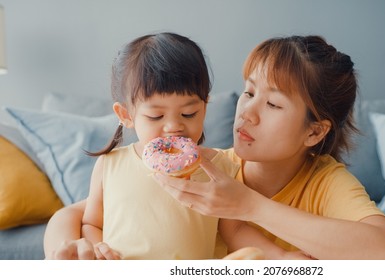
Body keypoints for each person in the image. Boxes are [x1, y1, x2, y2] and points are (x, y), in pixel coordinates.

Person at [44, 35, 385, 260]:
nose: (246, 113)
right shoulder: (208, 164)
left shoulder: (325, 183)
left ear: (314, 132)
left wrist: (250, 206)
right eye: (249, 92)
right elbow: (78, 216)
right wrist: (67, 255)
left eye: (272, 104)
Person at [55, 32, 275, 260]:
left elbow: (235, 231)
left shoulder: (222, 167)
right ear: (126, 115)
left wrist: (281, 257)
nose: (173, 127)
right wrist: (97, 246)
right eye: (156, 116)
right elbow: (91, 223)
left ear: (205, 107)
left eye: (189, 113)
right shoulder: (110, 165)